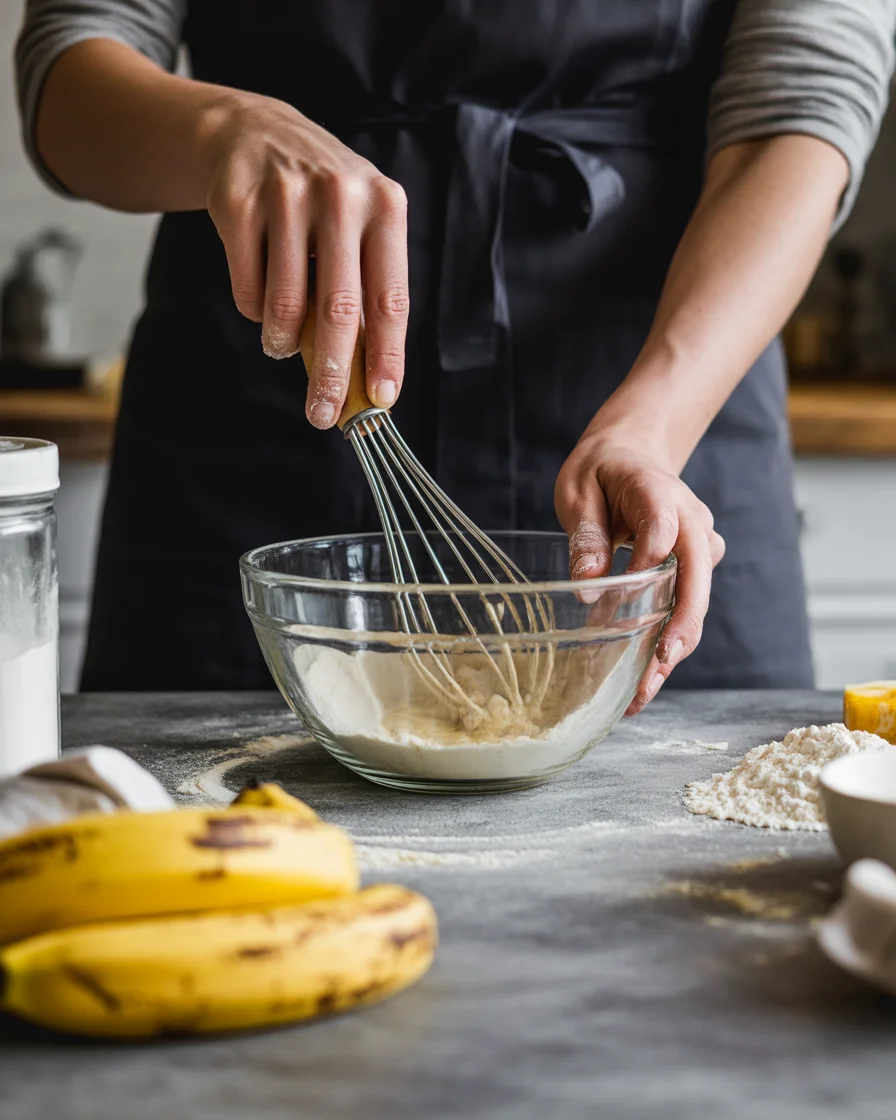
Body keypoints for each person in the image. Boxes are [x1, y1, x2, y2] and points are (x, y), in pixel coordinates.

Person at [16, 0, 896, 707]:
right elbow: (72, 61)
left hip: (663, 403)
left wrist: (653, 429)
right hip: (260, 417)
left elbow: (803, 107)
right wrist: (218, 131)